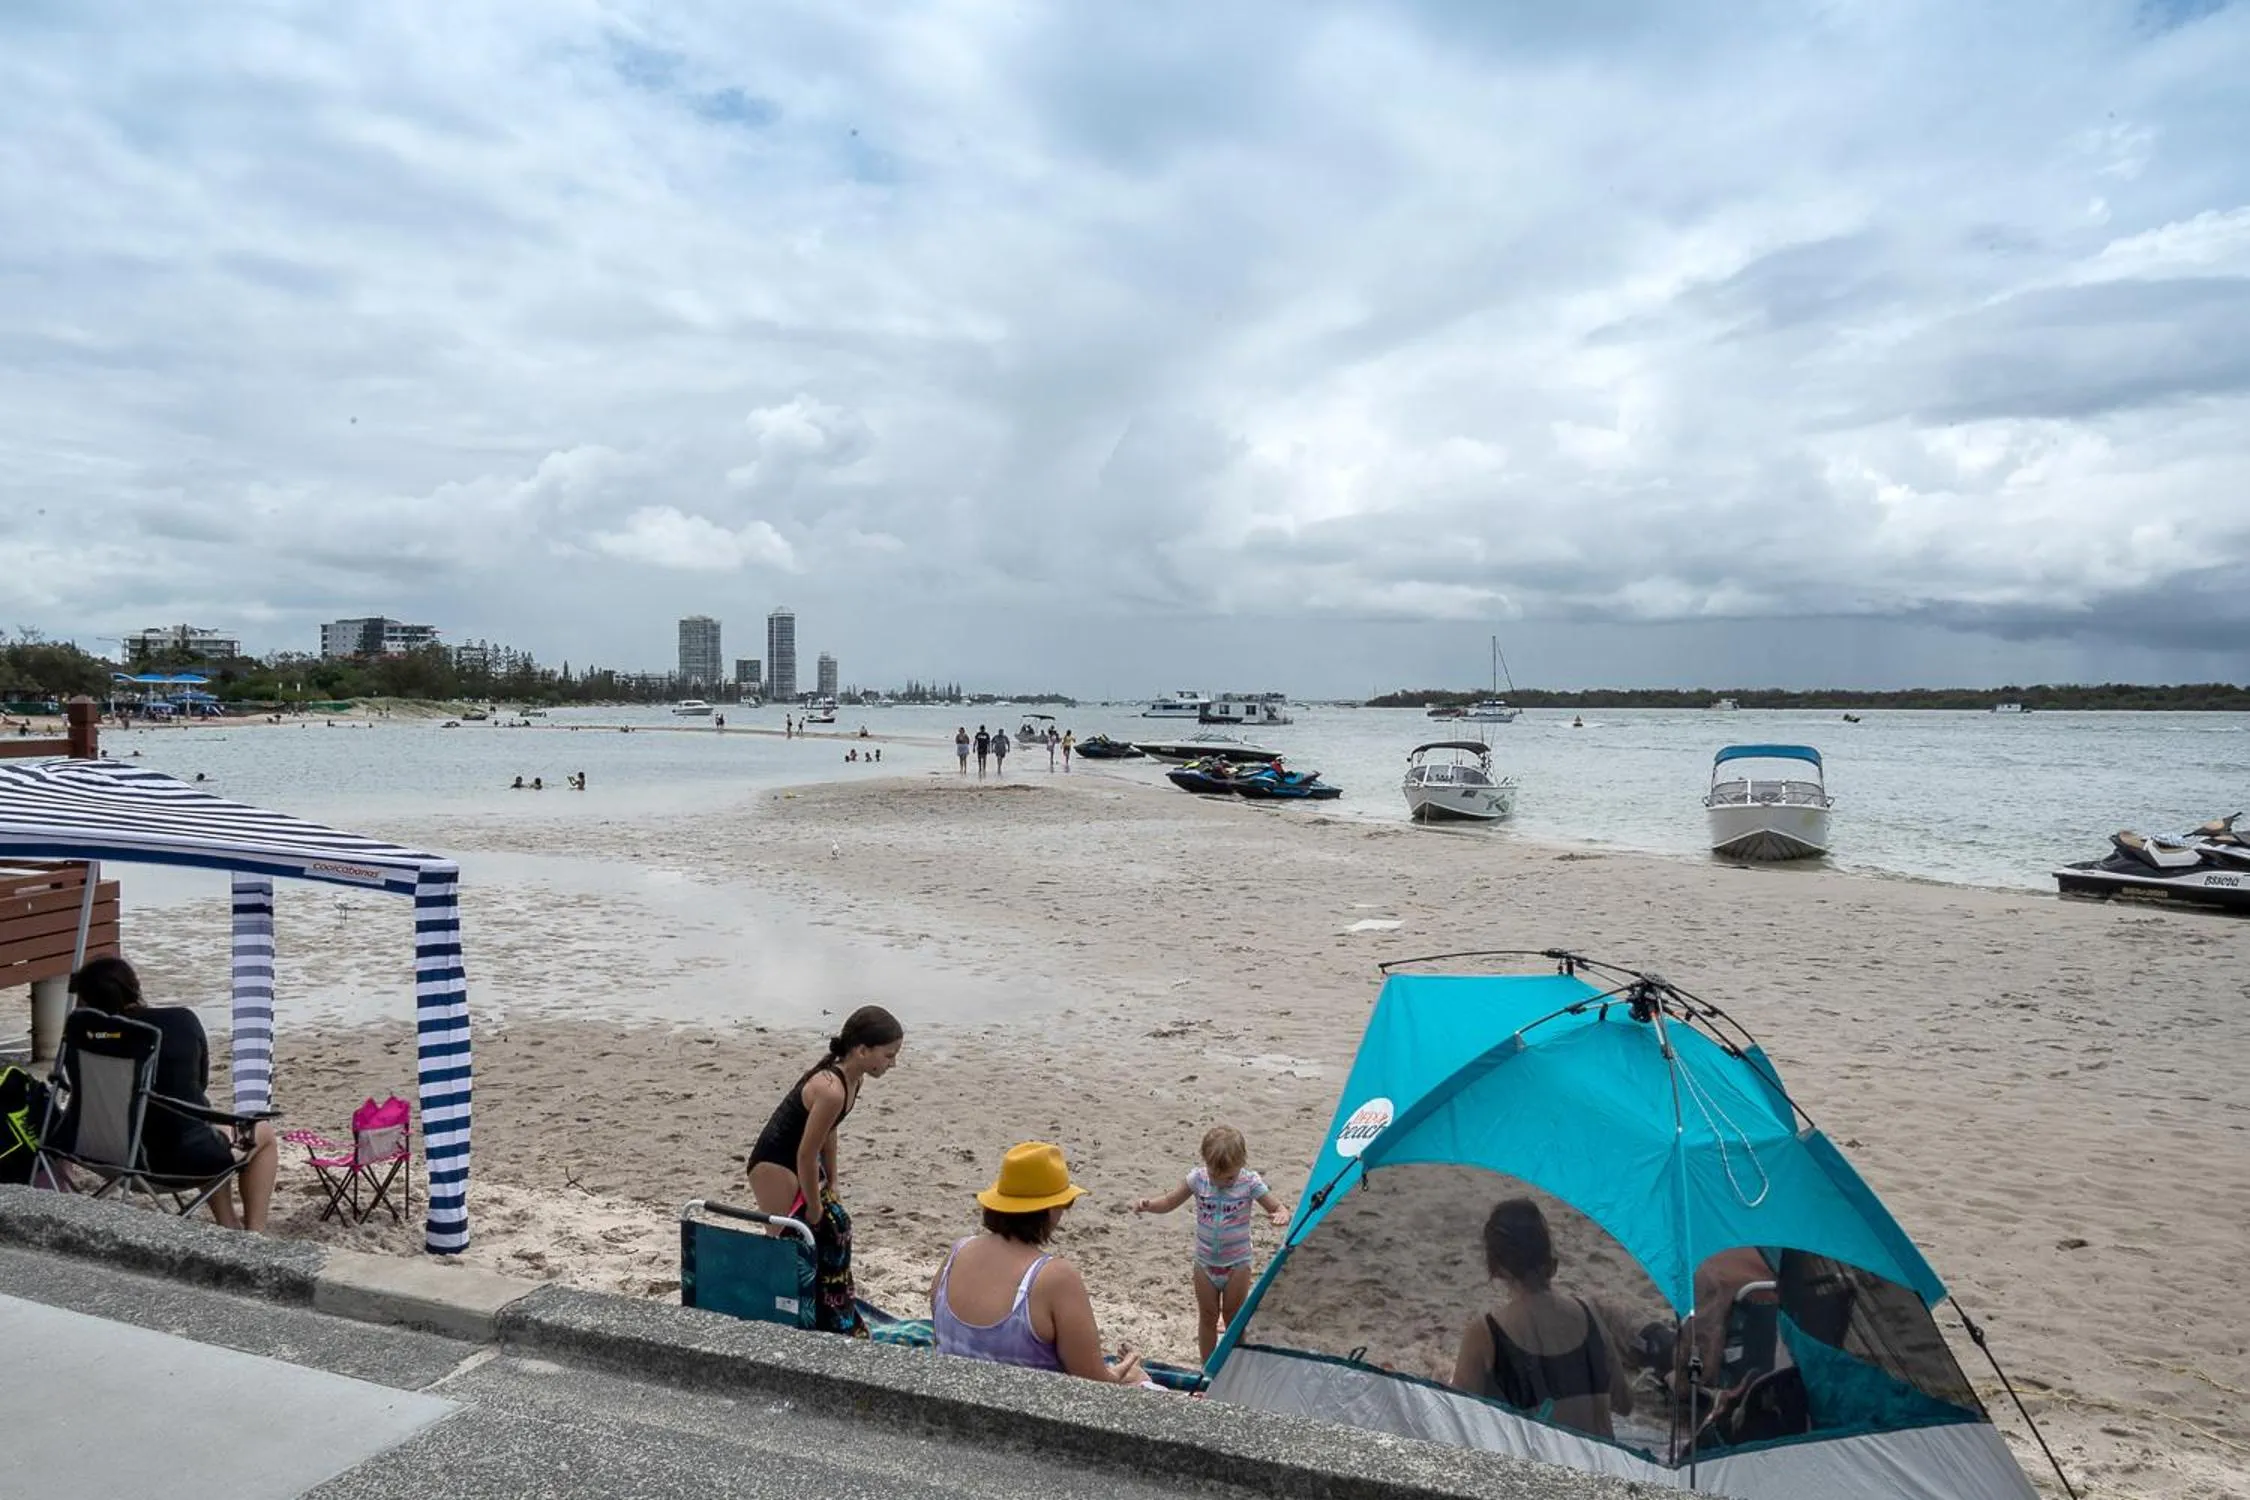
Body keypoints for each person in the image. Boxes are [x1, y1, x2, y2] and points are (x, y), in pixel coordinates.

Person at [66, 957, 278, 1232]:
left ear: (84, 999)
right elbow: (199, 1084)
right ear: (135, 987)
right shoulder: (179, 1022)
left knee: (199, 1130)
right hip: (167, 1163)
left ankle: (228, 1223)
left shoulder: (80, 1033)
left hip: (94, 1152)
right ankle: (255, 1234)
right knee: (261, 1133)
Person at [930, 1142, 1147, 1385]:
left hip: (949, 1406)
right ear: (1050, 1209)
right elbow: (1094, 1385)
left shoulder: (957, 1253)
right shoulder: (1055, 1278)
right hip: (1026, 1419)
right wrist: (1128, 1371)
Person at [747, 1006, 905, 1335]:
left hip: (802, 1161)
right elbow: (806, 1153)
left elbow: (829, 1133)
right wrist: (814, 1205)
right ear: (862, 1051)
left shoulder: (853, 1080)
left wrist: (831, 1181)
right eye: (889, 1055)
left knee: (834, 1228)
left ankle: (828, 1309)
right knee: (786, 1239)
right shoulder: (831, 1088)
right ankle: (774, 1310)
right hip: (774, 1164)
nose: (893, 1064)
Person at [1450, 1197, 1633, 1438]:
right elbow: (1625, 1404)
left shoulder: (1487, 1332)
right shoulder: (1590, 1315)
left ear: (1496, 1267)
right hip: (1599, 1467)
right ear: (1547, 1256)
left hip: (1539, 1469)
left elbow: (1456, 1421)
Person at [1133, 1125, 1290, 1359]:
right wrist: (1149, 1205)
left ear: (1242, 1163)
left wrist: (1281, 1214)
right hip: (1204, 1262)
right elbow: (1169, 1202)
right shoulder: (1198, 1179)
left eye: (1228, 1177)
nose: (1221, 1182)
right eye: (1215, 1175)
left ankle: (1234, 1366)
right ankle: (1207, 1368)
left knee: (1233, 1318)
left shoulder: (1249, 1182)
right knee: (1207, 1316)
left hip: (1237, 1264)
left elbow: (1277, 1206)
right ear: (1205, 1162)